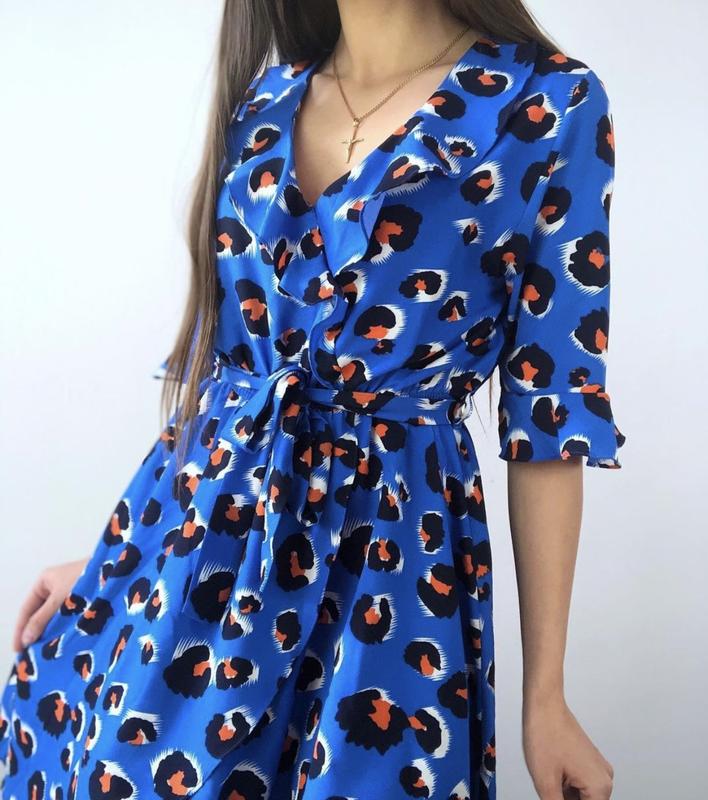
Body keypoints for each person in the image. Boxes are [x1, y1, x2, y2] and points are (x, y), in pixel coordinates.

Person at [1, 1, 626, 798]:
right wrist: (118, 565)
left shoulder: (549, 105)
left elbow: (551, 415)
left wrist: (546, 697)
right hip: (204, 574)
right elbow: (226, 381)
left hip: (390, 579)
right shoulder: (265, 103)